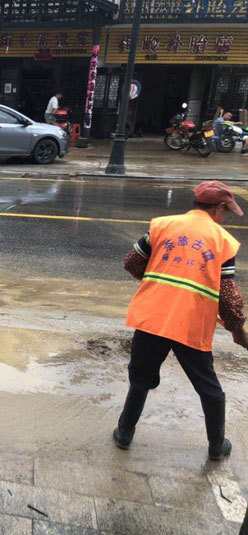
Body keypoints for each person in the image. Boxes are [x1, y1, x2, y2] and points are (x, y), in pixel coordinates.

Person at [114, 181, 248, 461]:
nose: (226, 217)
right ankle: (216, 446)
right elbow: (227, 296)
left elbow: (132, 263)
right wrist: (239, 330)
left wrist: (159, 282)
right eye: (227, 211)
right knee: (209, 387)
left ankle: (124, 434)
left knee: (139, 379)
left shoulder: (162, 226)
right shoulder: (222, 241)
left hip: (153, 318)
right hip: (190, 323)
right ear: (218, 208)